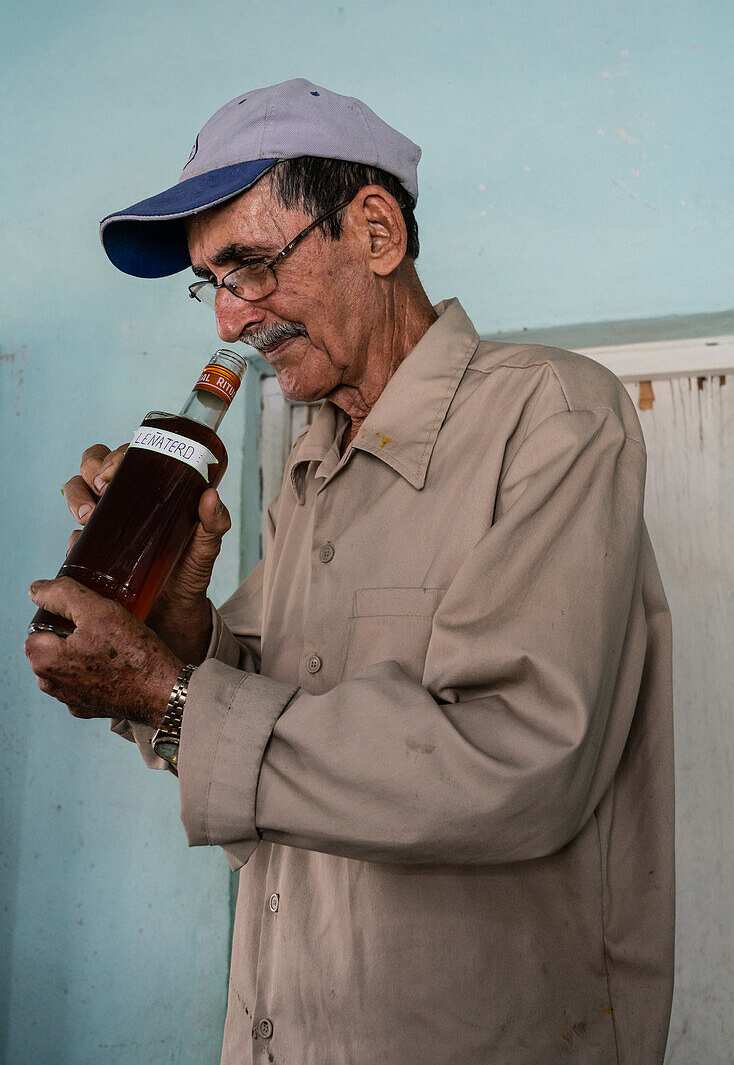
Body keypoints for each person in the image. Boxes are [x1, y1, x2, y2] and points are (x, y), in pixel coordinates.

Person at [25, 79, 674, 1063]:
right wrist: (180, 620)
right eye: (212, 284)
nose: (226, 321)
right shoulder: (313, 457)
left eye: (247, 266)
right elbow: (282, 723)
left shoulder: (551, 415)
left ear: (374, 231)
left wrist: (167, 692)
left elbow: (515, 762)